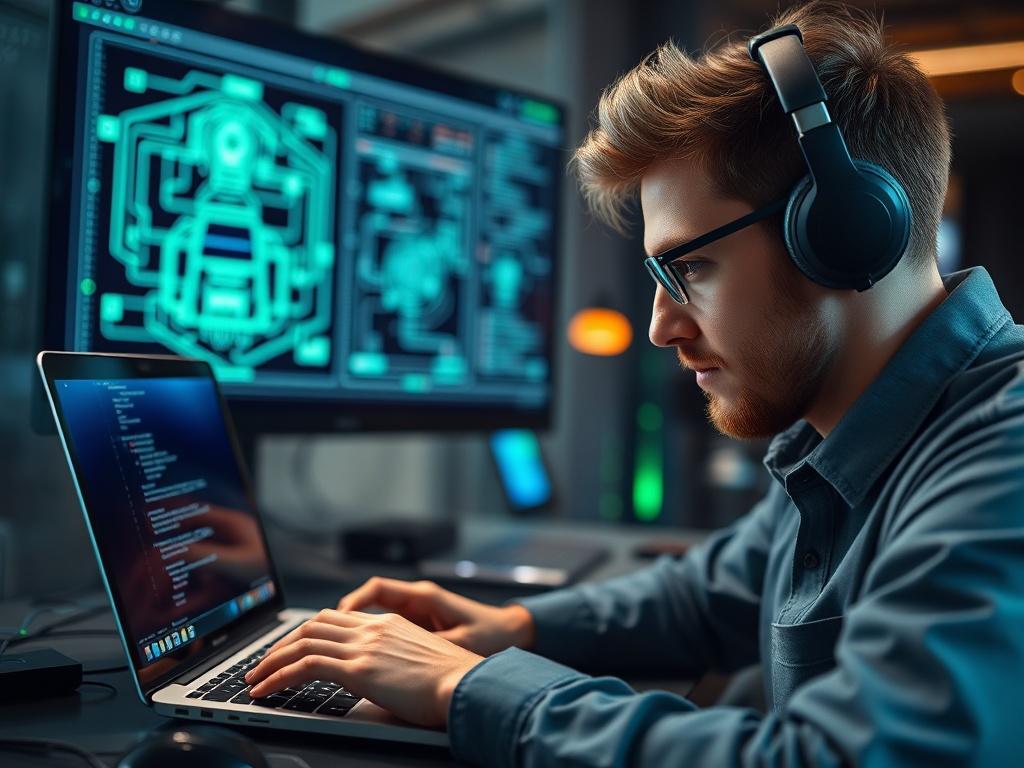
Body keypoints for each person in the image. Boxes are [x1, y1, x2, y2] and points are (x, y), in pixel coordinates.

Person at [245, 1, 1024, 764]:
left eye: (688, 268)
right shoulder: (844, 429)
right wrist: (510, 626)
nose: (661, 326)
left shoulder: (1002, 455)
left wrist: (470, 686)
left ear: (841, 233)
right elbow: (713, 593)